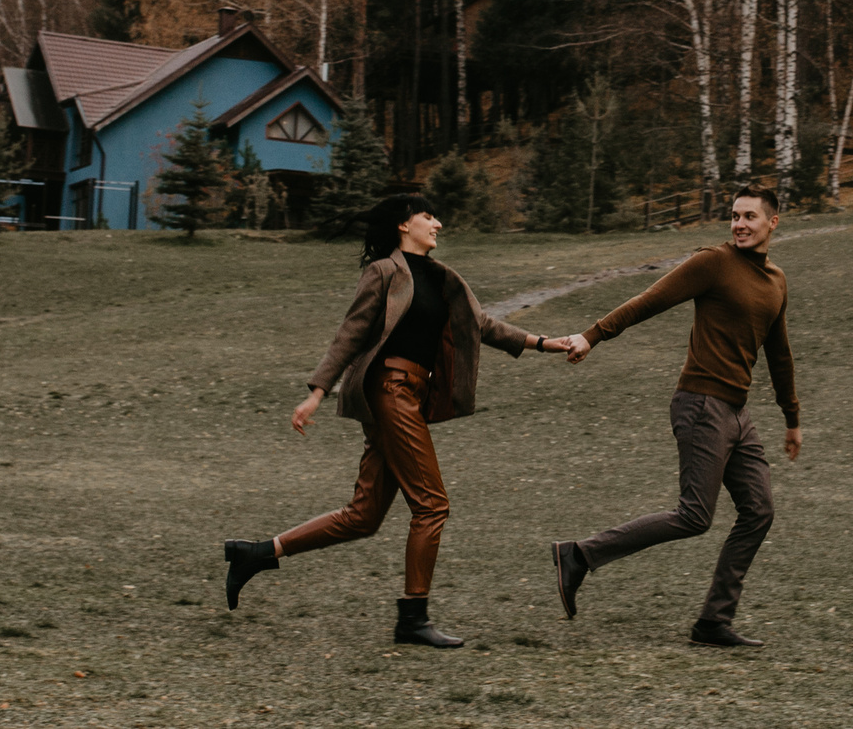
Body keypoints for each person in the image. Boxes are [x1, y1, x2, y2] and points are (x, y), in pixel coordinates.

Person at [222, 192, 574, 646]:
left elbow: (484, 325)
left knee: (364, 516)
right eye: (429, 215)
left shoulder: (445, 279)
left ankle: (256, 553)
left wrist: (547, 343)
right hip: (389, 390)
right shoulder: (384, 272)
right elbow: (352, 333)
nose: (438, 223)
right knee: (431, 504)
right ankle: (412, 618)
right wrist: (317, 392)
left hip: (411, 395)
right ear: (404, 225)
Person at [549, 187, 800, 648]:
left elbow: (779, 354)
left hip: (737, 412)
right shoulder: (713, 262)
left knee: (759, 510)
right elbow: (649, 300)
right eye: (734, 216)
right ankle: (580, 555)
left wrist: (792, 417)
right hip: (701, 403)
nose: (739, 224)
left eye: (749, 216)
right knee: (695, 515)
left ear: (773, 222)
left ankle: (712, 622)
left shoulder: (776, 281)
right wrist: (592, 336)